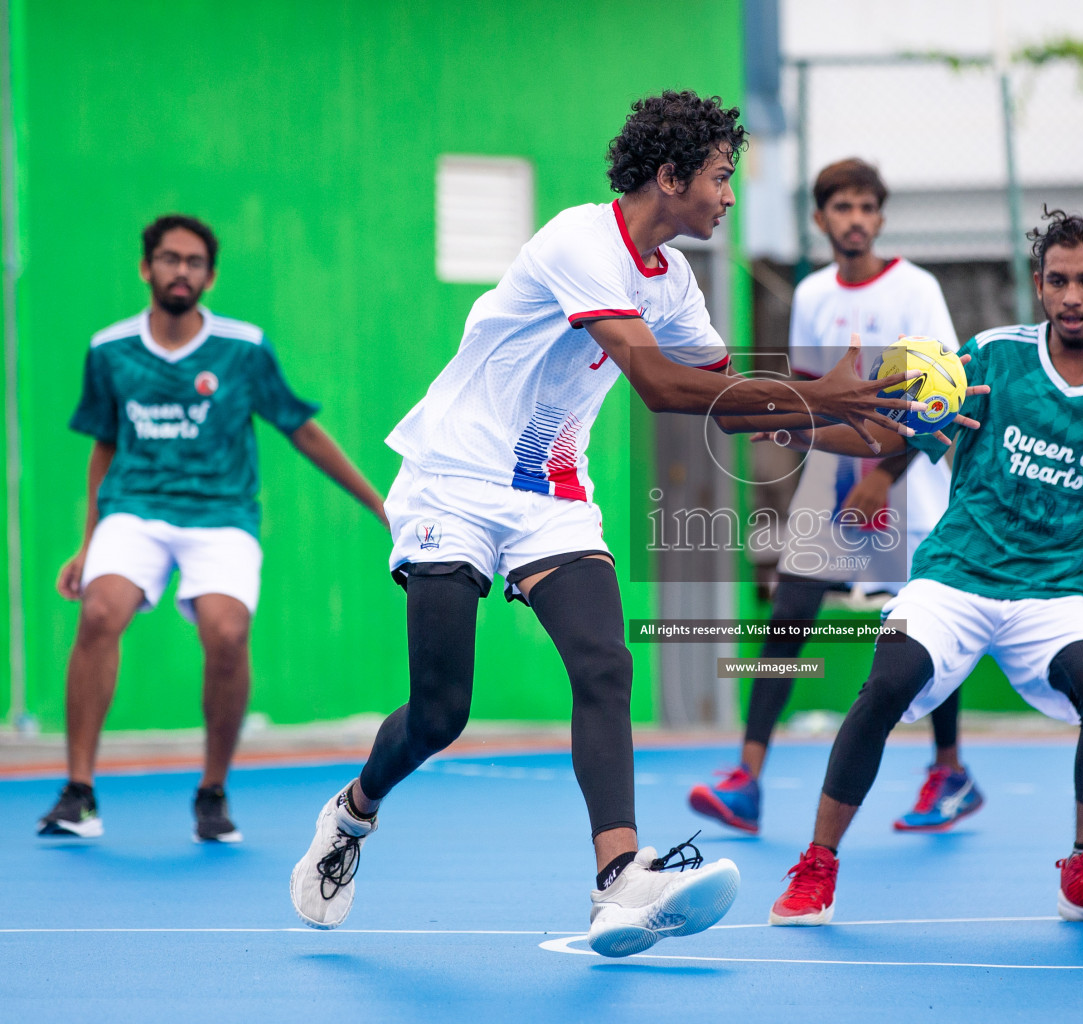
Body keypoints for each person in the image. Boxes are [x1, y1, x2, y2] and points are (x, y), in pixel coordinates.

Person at [287, 91, 924, 957]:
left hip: (550, 491)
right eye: (720, 178)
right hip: (455, 480)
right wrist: (827, 392)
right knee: (441, 712)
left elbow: (729, 407)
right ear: (669, 177)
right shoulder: (579, 242)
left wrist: (871, 426)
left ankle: (618, 880)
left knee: (605, 662)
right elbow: (663, 389)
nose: (730, 196)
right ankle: (353, 814)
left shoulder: (675, 279)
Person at [765, 209, 1083, 926]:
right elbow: (909, 427)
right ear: (1039, 285)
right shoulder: (992, 357)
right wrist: (858, 417)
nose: (1072, 295)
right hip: (955, 577)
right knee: (885, 684)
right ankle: (816, 867)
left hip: (1053, 595)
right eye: (1058, 280)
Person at [40, 214, 388, 843]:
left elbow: (301, 429)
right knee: (98, 613)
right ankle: (79, 793)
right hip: (134, 508)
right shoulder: (109, 349)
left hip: (222, 513)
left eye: (195, 261)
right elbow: (103, 446)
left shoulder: (244, 348)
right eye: (170, 259)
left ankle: (213, 790)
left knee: (227, 634)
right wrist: (87, 543)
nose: (182, 271)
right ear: (147, 269)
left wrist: (380, 503)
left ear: (211, 275)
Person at [688, 158, 982, 836]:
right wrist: (816, 463)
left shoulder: (917, 289)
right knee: (789, 614)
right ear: (821, 220)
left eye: (866, 207)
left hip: (912, 483)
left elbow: (943, 397)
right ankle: (747, 778)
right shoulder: (815, 295)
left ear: (880, 218)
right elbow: (815, 400)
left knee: (923, 625)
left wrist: (883, 476)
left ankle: (950, 770)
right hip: (835, 480)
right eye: (841, 208)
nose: (855, 220)